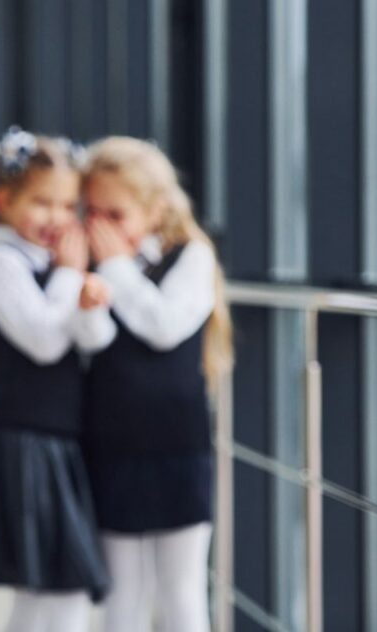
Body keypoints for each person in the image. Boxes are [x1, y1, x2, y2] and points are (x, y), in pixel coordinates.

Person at [0, 126, 111, 632]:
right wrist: (69, 275)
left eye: (68, 207)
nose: (58, 219)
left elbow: (89, 340)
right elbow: (43, 341)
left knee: (51, 596)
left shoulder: (44, 263)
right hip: (27, 442)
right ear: (4, 200)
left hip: (54, 442)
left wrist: (82, 296)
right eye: (43, 203)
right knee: (55, 596)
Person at [79, 136, 233, 632]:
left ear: (156, 210)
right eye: (92, 213)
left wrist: (116, 268)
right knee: (120, 593)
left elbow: (164, 326)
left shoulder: (192, 257)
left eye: (116, 215)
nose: (101, 228)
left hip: (176, 445)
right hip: (111, 443)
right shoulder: (89, 265)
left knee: (182, 592)